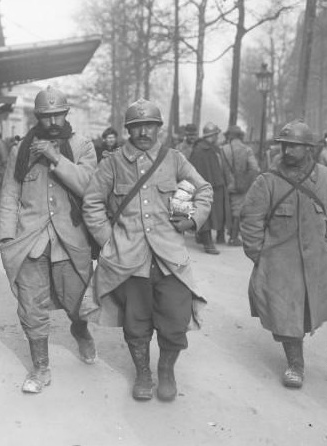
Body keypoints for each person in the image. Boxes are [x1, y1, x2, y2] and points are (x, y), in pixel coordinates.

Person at [83, 98, 213, 402]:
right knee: (136, 322)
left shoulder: (174, 159)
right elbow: (92, 203)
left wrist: (193, 220)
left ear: (159, 128)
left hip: (170, 258)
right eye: (136, 126)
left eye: (149, 126)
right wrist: (109, 241)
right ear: (128, 130)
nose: (143, 132)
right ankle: (143, 373)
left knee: (175, 319)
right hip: (129, 259)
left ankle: (166, 370)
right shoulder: (112, 163)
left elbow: (204, 188)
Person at [240, 120, 327, 389]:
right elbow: (250, 222)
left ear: (308, 148)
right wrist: (261, 258)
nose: (287, 151)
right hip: (279, 263)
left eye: (294, 146)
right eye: (284, 145)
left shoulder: (326, 177)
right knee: (286, 316)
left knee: (307, 312)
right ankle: (295, 365)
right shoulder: (267, 181)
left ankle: (295, 351)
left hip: (315, 262)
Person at [0, 86, 98, 394]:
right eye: (46, 116)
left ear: (66, 114)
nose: (53, 121)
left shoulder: (82, 146)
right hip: (30, 240)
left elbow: (89, 188)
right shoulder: (21, 149)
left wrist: (56, 158)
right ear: (37, 117)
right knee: (30, 306)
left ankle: (80, 330)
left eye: (58, 115)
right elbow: (9, 196)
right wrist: (6, 237)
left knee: (77, 303)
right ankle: (40, 368)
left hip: (70, 241)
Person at [188, 122, 234, 253]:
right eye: (216, 135)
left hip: (215, 186)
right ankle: (207, 243)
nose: (217, 137)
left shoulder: (213, 149)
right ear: (212, 135)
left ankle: (205, 238)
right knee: (204, 214)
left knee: (214, 214)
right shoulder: (200, 150)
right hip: (203, 187)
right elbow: (194, 171)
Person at [221, 125, 260, 246]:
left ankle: (222, 235)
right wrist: (246, 181)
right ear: (240, 136)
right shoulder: (247, 149)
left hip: (225, 184)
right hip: (241, 185)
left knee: (226, 209)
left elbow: (220, 167)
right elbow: (254, 168)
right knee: (237, 210)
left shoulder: (223, 149)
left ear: (230, 136)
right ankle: (233, 237)